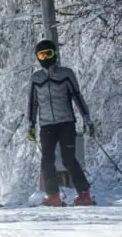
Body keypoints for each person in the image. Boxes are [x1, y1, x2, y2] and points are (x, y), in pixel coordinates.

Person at [27, 39, 96, 207]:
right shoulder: (36, 78)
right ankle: (53, 196)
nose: (45, 58)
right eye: (41, 55)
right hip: (46, 125)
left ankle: (84, 194)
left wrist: (87, 119)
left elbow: (77, 97)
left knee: (68, 159)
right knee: (47, 161)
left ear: (55, 54)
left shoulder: (66, 74)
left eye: (48, 54)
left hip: (66, 123)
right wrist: (31, 124)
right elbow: (32, 103)